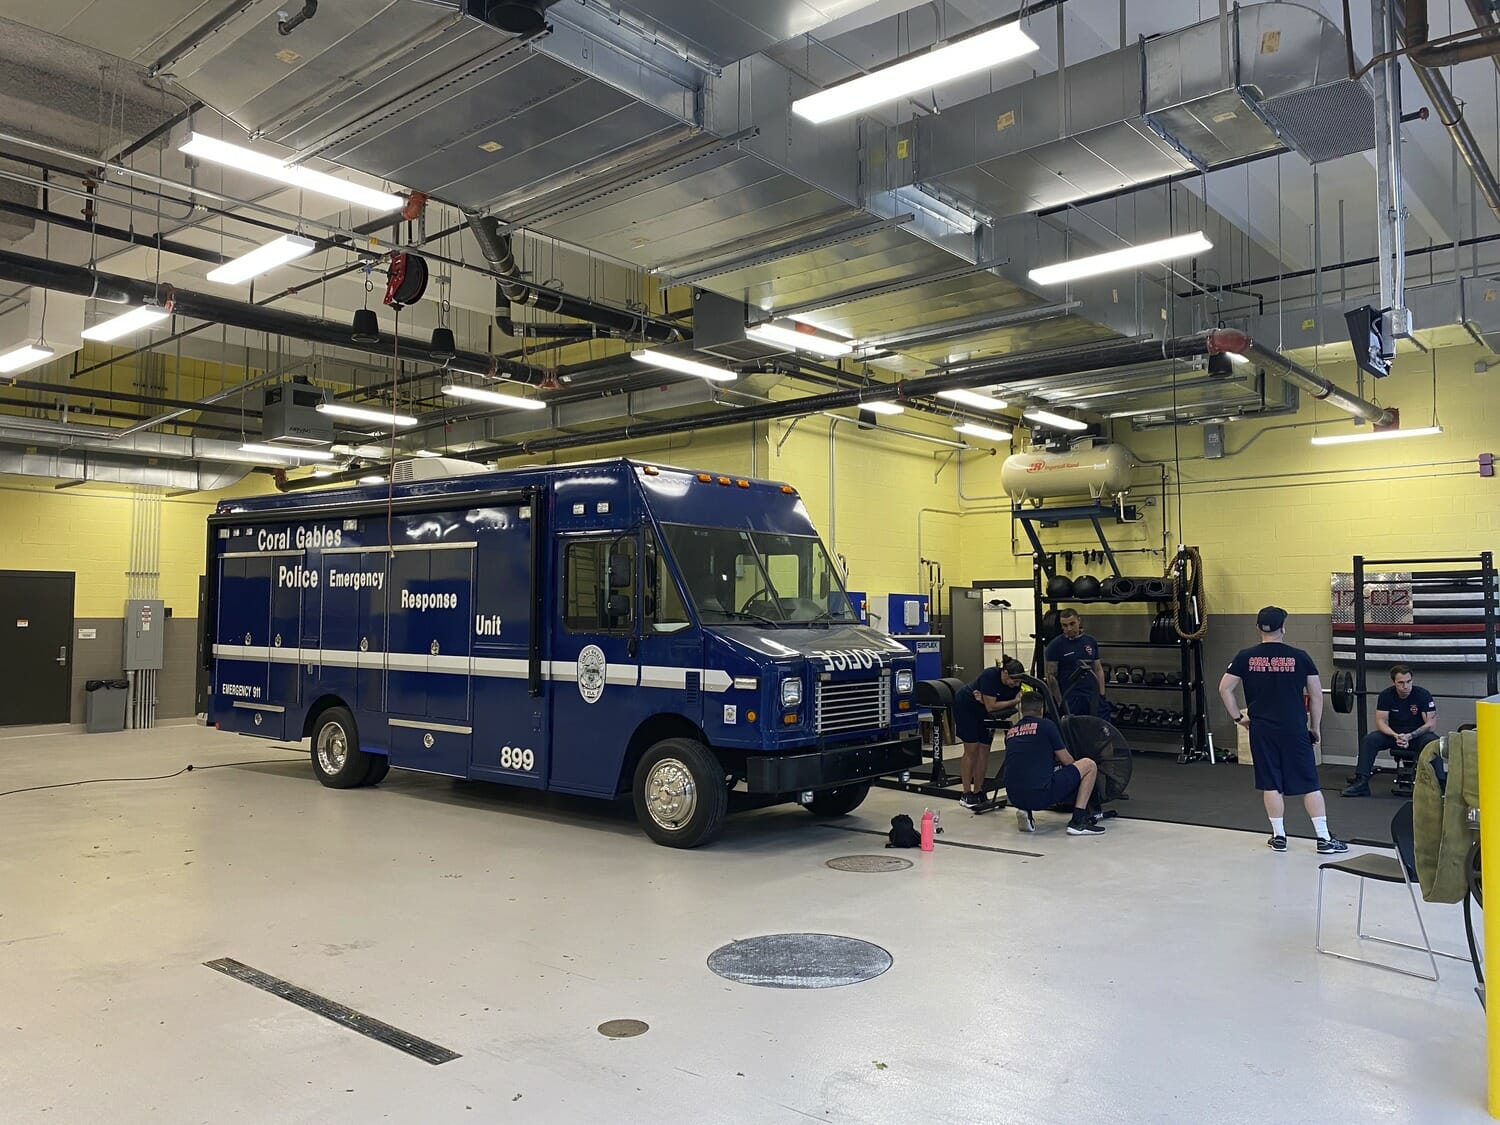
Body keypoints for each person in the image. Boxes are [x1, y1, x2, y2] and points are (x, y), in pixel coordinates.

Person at [1218, 606, 1348, 854]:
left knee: (1271, 783)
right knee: (1310, 784)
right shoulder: (1300, 657)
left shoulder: (1245, 657)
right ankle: (1323, 839)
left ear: (1258, 628)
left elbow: (1224, 689)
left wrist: (1238, 718)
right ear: (1283, 628)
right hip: (1294, 730)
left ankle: (1279, 837)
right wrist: (1315, 727)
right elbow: (1316, 696)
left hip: (1261, 730)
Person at [1001, 693, 1104, 835]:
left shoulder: (1010, 732)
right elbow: (1067, 761)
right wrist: (1075, 779)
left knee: (1028, 771)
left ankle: (1026, 811)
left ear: (1021, 709)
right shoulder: (1046, 726)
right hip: (1041, 796)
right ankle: (1078, 821)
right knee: (1088, 765)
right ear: (1042, 709)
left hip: (1014, 797)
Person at [1342, 664, 1439, 797]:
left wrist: (1410, 736)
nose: (1405, 686)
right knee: (1370, 740)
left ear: (1412, 680)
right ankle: (1361, 782)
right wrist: (1396, 735)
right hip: (1394, 734)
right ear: (1394, 682)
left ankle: (1441, 785)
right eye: (1401, 683)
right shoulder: (1386, 695)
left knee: (1433, 742)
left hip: (1417, 735)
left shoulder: (1422, 695)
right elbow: (1380, 722)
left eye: (1408, 682)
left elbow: (1431, 725)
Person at [951, 658, 1025, 809]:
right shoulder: (989, 676)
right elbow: (992, 707)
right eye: (1013, 681)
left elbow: (994, 706)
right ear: (1004, 673)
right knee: (972, 748)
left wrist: (989, 702)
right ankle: (966, 793)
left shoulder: (1016, 683)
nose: (1015, 685)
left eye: (1018, 682)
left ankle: (978, 790)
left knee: (984, 750)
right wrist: (1013, 701)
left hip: (983, 711)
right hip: (966, 707)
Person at [1044, 608, 1110, 721]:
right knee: (1075, 734)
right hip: (1071, 697)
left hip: (1092, 695)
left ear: (1079, 621)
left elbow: (1098, 669)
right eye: (1064, 625)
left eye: (1072, 624)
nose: (1068, 628)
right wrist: (1060, 702)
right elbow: (1051, 677)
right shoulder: (1055, 646)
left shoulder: (1091, 641)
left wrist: (1101, 695)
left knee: (1101, 729)